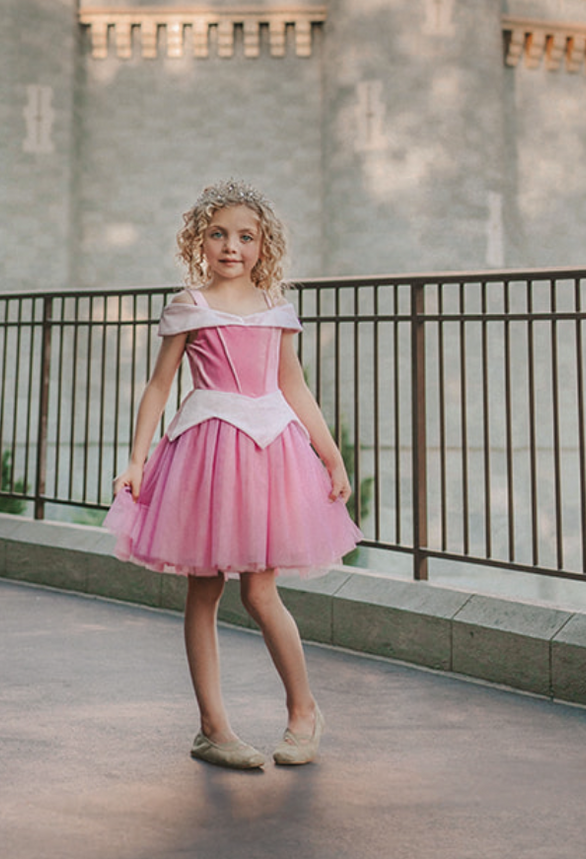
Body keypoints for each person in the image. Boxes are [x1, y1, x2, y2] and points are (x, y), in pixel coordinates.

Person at [105, 179, 360, 770]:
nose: (231, 246)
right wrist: (136, 459)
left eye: (246, 236)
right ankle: (213, 728)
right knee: (204, 589)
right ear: (200, 240)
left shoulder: (276, 310)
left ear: (263, 245)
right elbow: (159, 385)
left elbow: (293, 384)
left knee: (261, 591)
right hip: (205, 453)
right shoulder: (189, 306)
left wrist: (332, 455)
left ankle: (304, 712)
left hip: (270, 453)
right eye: (218, 234)